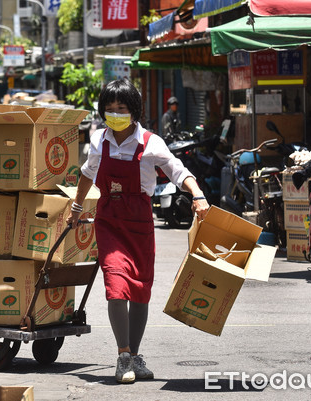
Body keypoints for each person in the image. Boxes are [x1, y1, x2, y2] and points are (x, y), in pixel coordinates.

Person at [66, 79, 210, 384]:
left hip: (140, 224)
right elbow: (87, 174)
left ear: (134, 111)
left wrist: (197, 194)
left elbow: (176, 170)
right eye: (109, 109)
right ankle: (122, 356)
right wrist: (76, 209)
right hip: (109, 222)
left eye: (121, 108)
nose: (115, 114)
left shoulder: (150, 142)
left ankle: (134, 356)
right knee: (116, 287)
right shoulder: (98, 140)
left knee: (140, 293)